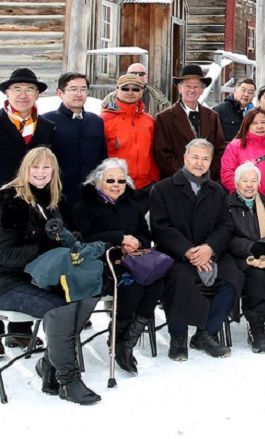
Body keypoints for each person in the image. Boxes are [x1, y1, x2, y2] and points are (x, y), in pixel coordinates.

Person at [0, 147, 103, 404]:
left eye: (46, 167)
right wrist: (48, 244)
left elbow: (65, 236)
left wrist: (71, 241)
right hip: (4, 280)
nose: (40, 172)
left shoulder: (54, 201)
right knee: (61, 307)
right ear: (25, 169)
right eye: (35, 166)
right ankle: (68, 380)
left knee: (89, 289)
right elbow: (5, 255)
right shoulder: (8, 202)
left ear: (54, 171)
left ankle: (49, 364)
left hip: (42, 275)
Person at [150, 139, 241, 361]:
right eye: (195, 157)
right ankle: (178, 335)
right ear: (185, 158)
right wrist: (188, 251)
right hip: (177, 253)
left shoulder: (217, 191)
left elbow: (225, 226)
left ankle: (206, 333)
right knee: (180, 278)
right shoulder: (163, 189)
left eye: (205, 158)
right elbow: (160, 227)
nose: (200, 163)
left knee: (232, 277)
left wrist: (209, 248)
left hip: (211, 252)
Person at [72, 157, 162, 377]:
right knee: (132, 286)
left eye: (121, 181)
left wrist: (137, 243)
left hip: (131, 260)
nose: (116, 185)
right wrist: (118, 239)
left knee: (156, 280)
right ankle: (119, 341)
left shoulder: (131, 206)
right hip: (99, 263)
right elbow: (82, 239)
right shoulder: (84, 207)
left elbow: (144, 234)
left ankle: (125, 341)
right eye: (110, 180)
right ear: (98, 181)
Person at [0, 67, 57, 223]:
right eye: (17, 89)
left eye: (29, 89)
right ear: (7, 93)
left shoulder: (48, 128)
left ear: (37, 95)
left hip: (35, 209)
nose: (23, 95)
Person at [227, 161, 265, 353]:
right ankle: (256, 328)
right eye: (245, 180)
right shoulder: (228, 206)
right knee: (257, 278)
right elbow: (226, 235)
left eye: (254, 180)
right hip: (242, 257)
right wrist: (249, 247)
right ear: (237, 183)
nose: (249, 184)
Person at [44, 71, 107, 208]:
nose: (79, 94)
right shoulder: (47, 121)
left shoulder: (96, 121)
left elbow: (103, 158)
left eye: (83, 89)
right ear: (60, 93)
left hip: (90, 197)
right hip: (59, 195)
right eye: (73, 89)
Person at [153, 65, 226, 181]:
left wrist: (207, 174)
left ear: (202, 90)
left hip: (207, 181)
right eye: (188, 86)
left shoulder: (212, 116)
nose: (192, 90)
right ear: (180, 88)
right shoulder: (164, 118)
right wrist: (187, 175)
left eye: (196, 87)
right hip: (176, 182)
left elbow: (220, 150)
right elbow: (162, 154)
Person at [220, 108, 265, 209]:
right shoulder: (235, 147)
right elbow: (227, 175)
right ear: (247, 125)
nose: (260, 126)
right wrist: (246, 196)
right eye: (254, 123)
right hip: (244, 205)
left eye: (263, 122)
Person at [102, 73, 160, 199]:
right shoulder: (104, 120)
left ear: (141, 92)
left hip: (145, 187)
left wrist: (154, 180)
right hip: (116, 187)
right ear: (116, 90)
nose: (130, 92)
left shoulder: (148, 120)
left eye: (135, 89)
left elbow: (153, 152)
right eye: (125, 88)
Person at [101, 61, 171, 117]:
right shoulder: (110, 99)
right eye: (133, 73)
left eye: (141, 74)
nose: (137, 76)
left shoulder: (160, 100)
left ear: (146, 77)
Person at [214, 77, 256, 142]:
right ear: (235, 90)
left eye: (250, 92)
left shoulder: (255, 113)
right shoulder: (219, 111)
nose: (246, 94)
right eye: (243, 90)